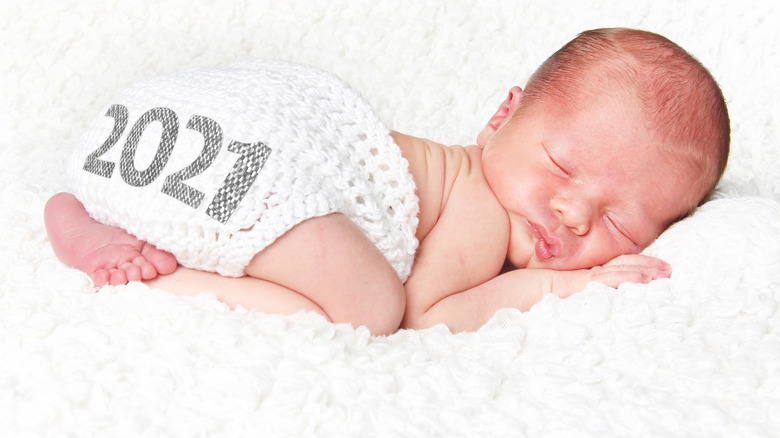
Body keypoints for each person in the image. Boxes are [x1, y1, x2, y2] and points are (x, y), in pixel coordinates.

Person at [44, 28, 730, 335]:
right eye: (561, 165)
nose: (573, 213)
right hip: (254, 157)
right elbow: (427, 314)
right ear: (501, 116)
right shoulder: (480, 206)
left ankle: (92, 216)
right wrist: (559, 284)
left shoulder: (480, 182)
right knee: (370, 309)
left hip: (147, 133)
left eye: (618, 223)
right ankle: (160, 278)